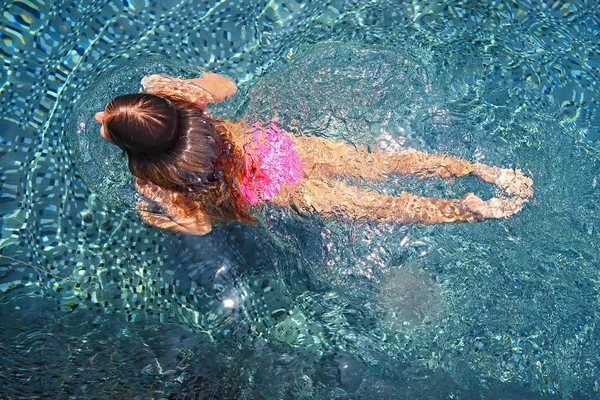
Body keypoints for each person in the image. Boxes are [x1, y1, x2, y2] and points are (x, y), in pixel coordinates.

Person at [94, 72, 533, 235]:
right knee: (377, 165)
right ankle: (479, 171)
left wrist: (156, 213)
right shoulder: (176, 95)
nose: (98, 117)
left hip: (278, 192)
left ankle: (468, 212)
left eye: (108, 125)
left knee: (380, 208)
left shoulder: (149, 179)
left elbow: (201, 225)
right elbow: (227, 86)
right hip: (277, 151)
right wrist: (199, 83)